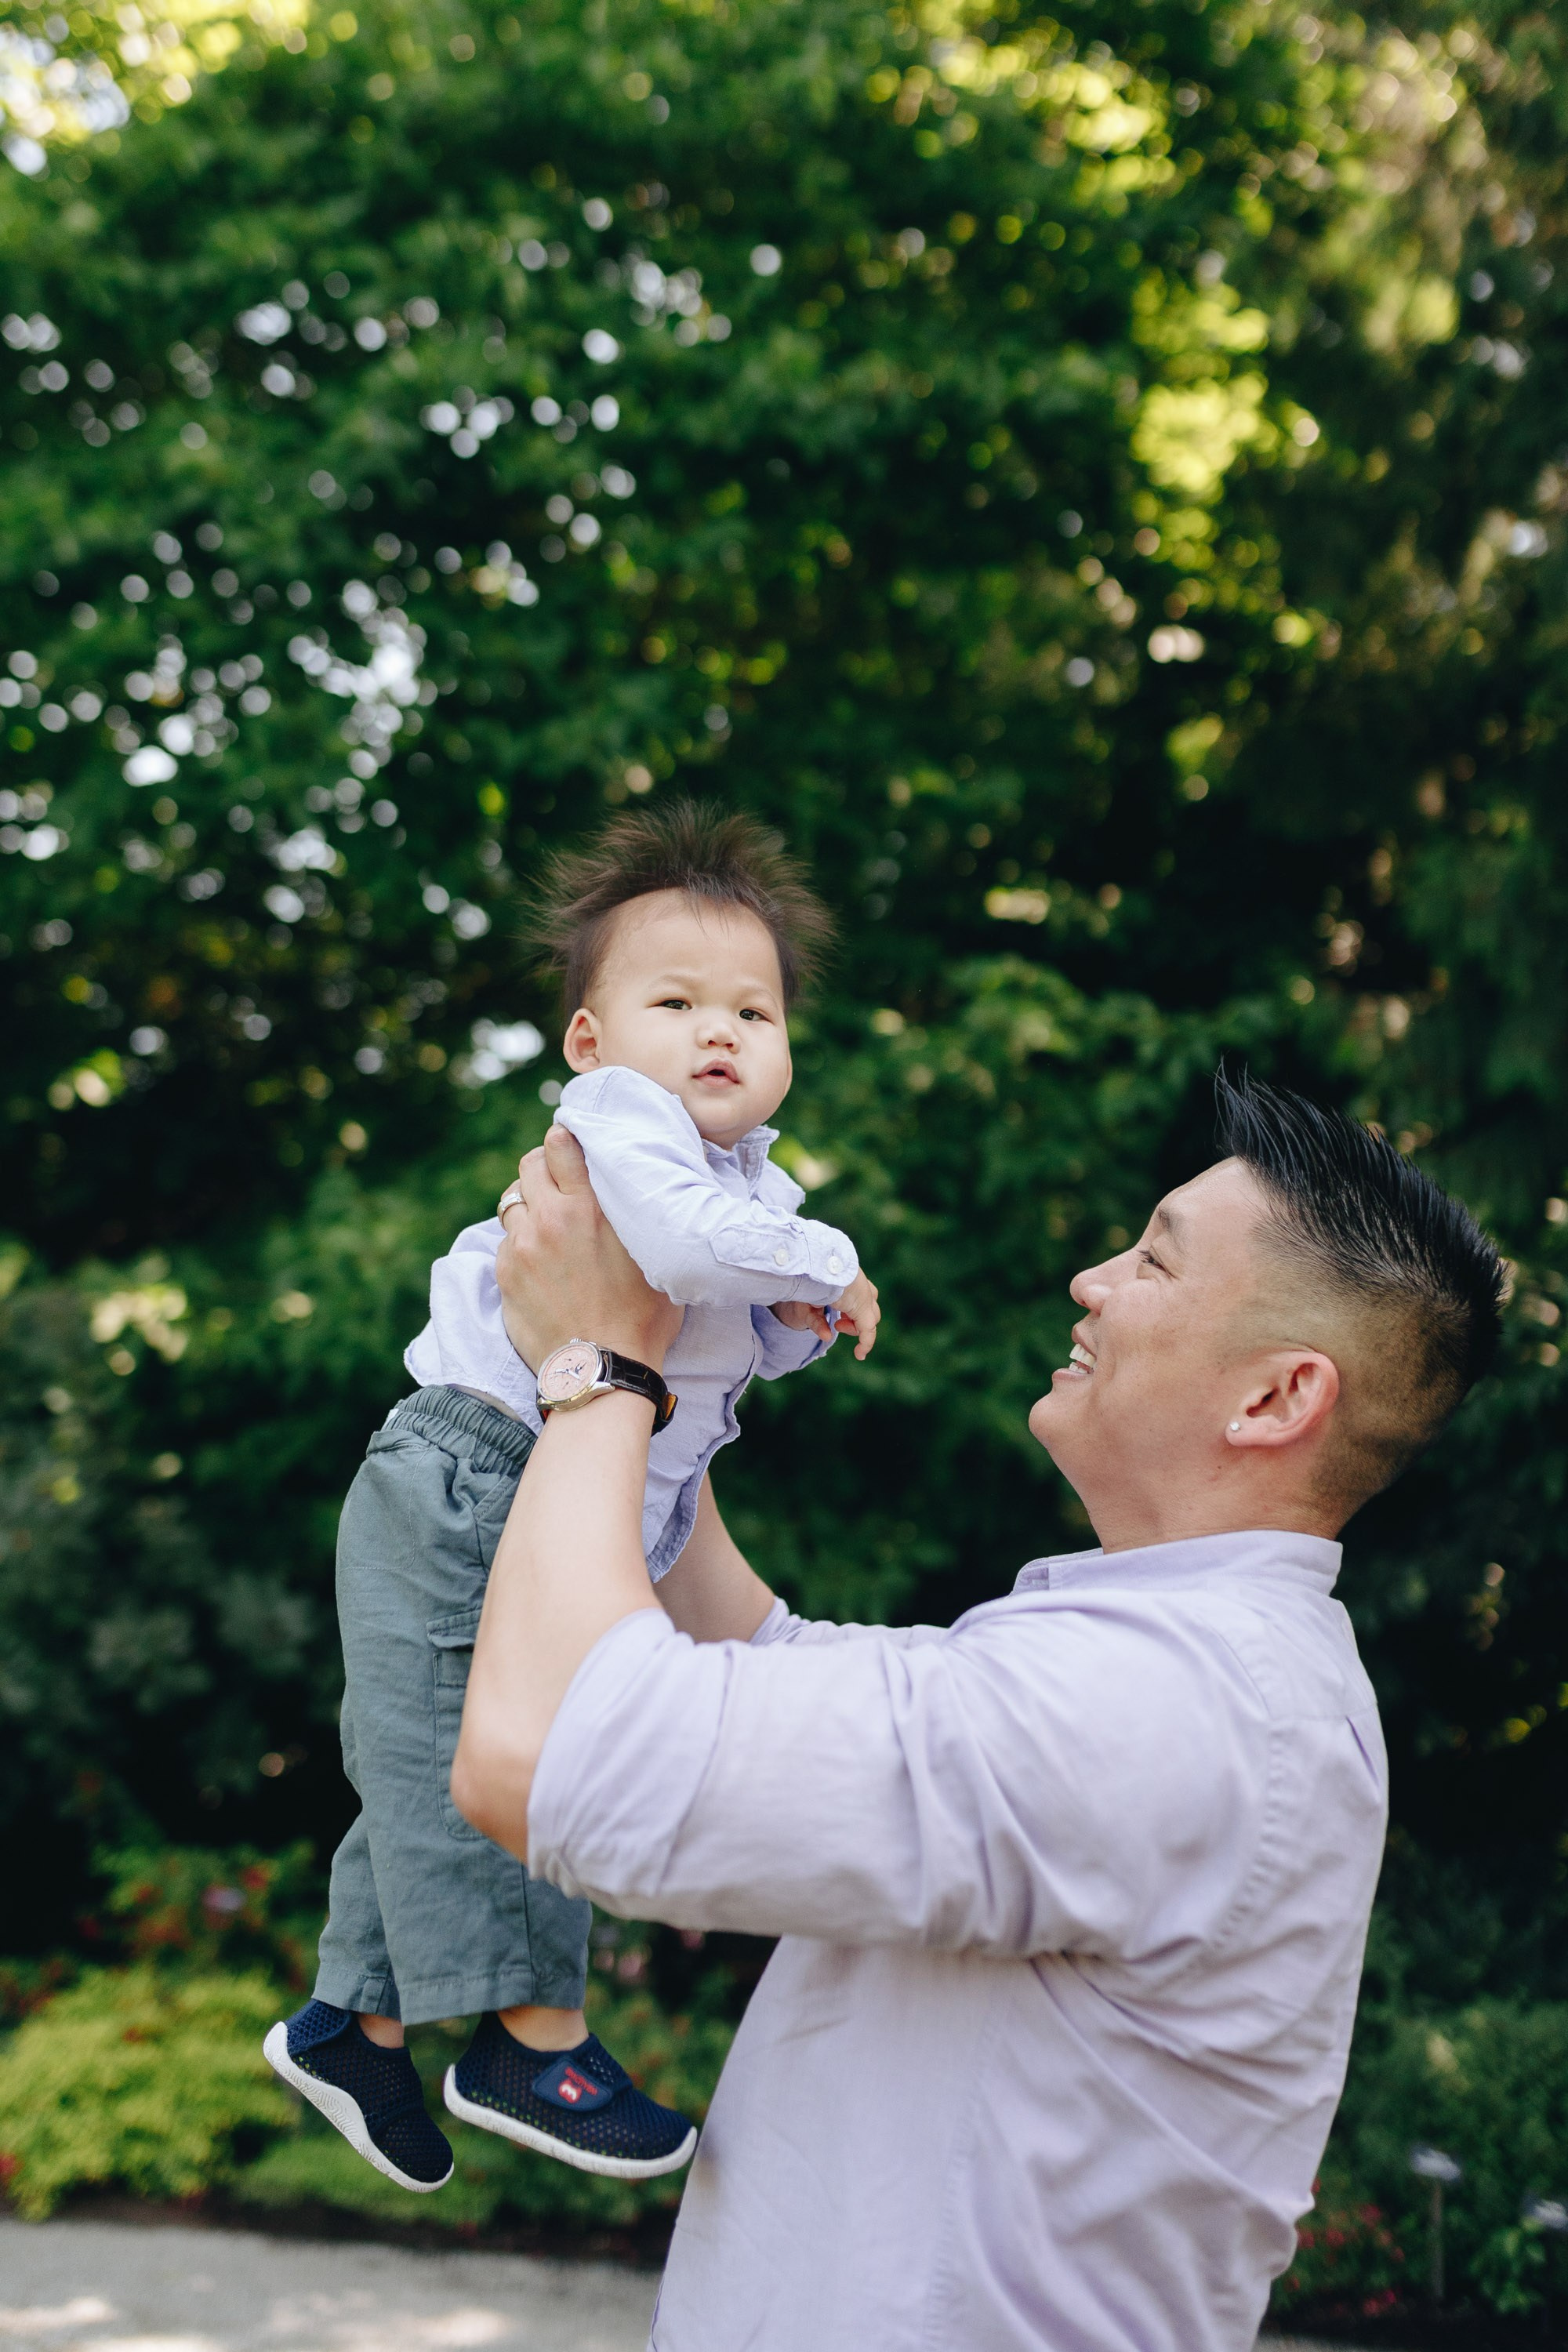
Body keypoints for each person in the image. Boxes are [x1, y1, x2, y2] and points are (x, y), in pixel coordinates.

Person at [452, 1069, 1504, 2351]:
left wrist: (597, 1367)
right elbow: (763, 1663)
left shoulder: (1165, 1703)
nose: (1091, 1281)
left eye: (1156, 1262)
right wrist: (667, 1362)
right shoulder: (1188, 1665)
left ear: (1277, 1398)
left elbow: (541, 1753)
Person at [264, 802, 880, 2194]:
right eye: (677, 1003)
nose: (719, 1033)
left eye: (754, 1012)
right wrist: (823, 1260)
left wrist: (800, 1311)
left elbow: (735, 1334)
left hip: (576, 1484)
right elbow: (683, 1252)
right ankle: (532, 2042)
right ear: (591, 1042)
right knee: (525, 1746)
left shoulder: (752, 1183)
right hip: (479, 1464)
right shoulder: (624, 1129)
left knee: (427, 1752)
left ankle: (351, 2025)